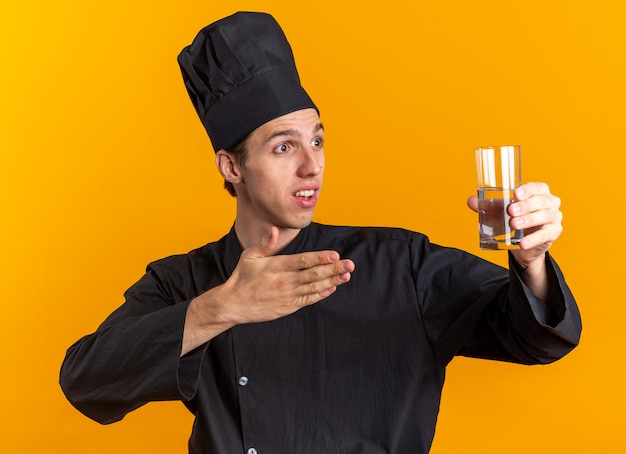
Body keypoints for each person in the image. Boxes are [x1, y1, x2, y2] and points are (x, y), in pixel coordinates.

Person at [60, 11, 582, 454]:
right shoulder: (186, 281)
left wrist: (532, 259)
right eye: (284, 147)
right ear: (232, 167)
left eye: (318, 140)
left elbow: (532, 336)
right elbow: (87, 384)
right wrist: (221, 307)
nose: (312, 166)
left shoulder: (400, 265)